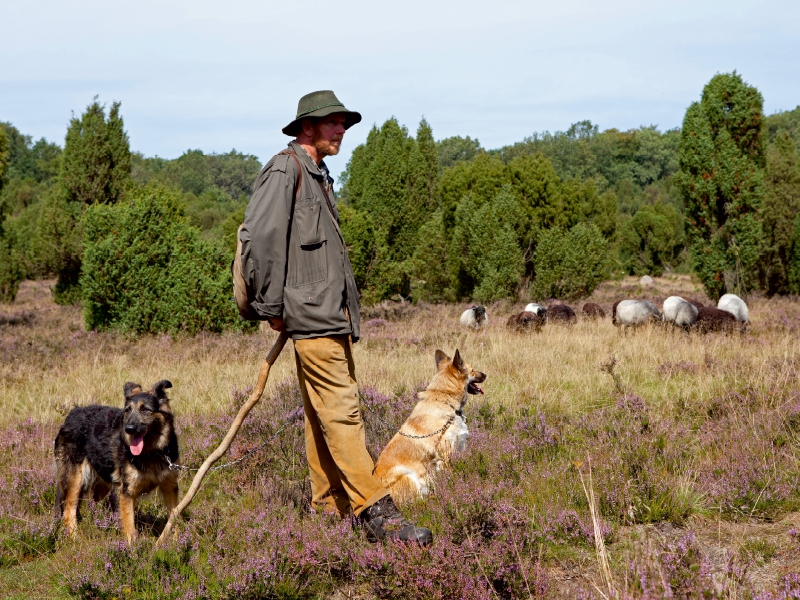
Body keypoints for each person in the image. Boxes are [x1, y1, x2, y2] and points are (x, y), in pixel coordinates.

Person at [239, 91, 432, 545]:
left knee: (320, 416)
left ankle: (328, 507)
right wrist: (271, 309)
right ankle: (378, 512)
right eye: (333, 122)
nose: (342, 129)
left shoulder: (318, 174)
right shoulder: (286, 168)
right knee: (343, 415)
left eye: (344, 122)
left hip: (329, 316)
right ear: (307, 127)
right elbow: (260, 240)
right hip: (310, 317)